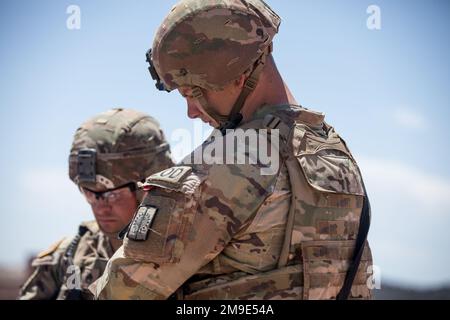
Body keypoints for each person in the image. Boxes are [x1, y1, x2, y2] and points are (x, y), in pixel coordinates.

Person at [92, 0, 373, 300]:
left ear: (235, 75)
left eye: (192, 92)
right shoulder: (333, 151)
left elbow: (120, 294)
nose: (191, 111)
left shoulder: (231, 161)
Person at [18, 108, 174, 300]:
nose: (100, 207)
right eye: (89, 192)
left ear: (146, 187)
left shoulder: (192, 253)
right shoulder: (68, 257)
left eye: (113, 194)